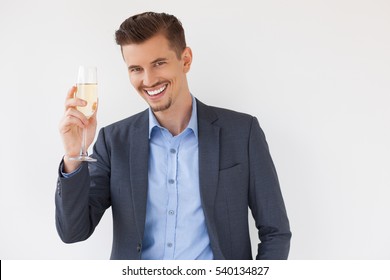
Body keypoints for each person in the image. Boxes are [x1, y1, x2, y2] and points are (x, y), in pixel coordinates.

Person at [56, 11, 291, 260]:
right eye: (136, 69)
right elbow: (73, 232)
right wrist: (74, 155)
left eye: (159, 63)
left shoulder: (242, 133)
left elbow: (275, 232)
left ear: (186, 60)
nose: (148, 80)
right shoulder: (113, 141)